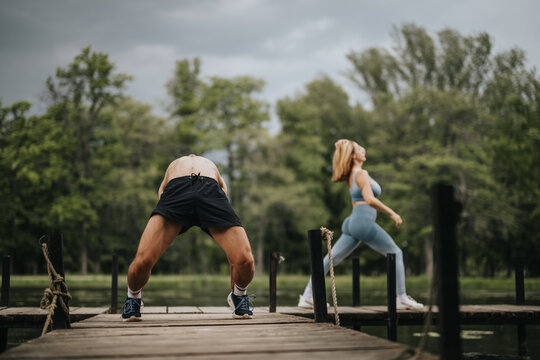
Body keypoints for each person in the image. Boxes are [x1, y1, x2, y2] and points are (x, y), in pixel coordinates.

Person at [121, 154, 255, 321]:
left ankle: (239, 296)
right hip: (177, 192)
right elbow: (162, 193)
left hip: (210, 192)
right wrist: (168, 213)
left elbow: (223, 193)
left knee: (245, 260)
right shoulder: (174, 166)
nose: (192, 155)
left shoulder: (211, 167)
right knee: (142, 262)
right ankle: (133, 299)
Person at [298, 139, 423, 310]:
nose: (363, 149)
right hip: (362, 222)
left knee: (332, 258)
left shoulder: (351, 174)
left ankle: (307, 296)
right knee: (396, 253)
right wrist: (392, 213)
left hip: (353, 222)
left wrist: (339, 147)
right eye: (358, 148)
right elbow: (370, 199)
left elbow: (342, 158)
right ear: (353, 155)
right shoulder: (361, 173)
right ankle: (401, 297)